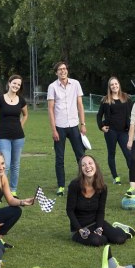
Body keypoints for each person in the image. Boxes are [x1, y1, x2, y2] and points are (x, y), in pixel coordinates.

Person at [66, 155, 135, 247]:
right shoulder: (74, 185)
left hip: (96, 223)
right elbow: (69, 210)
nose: (87, 166)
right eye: (84, 165)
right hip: (80, 228)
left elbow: (100, 211)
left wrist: (99, 227)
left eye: (90, 163)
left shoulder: (102, 187)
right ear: (81, 169)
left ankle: (119, 229)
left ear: (95, 166)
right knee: (97, 241)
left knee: (120, 239)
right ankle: (105, 236)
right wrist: (80, 229)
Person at [48, 61, 87, 196]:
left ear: (67, 71)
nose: (63, 71)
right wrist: (54, 130)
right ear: (56, 72)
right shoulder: (52, 87)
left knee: (81, 156)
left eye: (64, 69)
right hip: (60, 127)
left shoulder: (75, 84)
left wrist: (83, 124)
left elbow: (80, 105)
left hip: (74, 126)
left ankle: (85, 183)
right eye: (60, 69)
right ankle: (61, 186)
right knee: (59, 158)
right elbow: (51, 109)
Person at [0, 74, 28, 197]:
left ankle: (13, 190)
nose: (16, 85)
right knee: (4, 165)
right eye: (14, 83)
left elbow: (25, 115)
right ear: (9, 83)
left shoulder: (21, 100)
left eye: (18, 84)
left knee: (15, 165)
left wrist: (20, 126)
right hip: (3, 137)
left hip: (18, 137)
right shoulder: (0, 99)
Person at [96, 77, 133, 186]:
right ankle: (115, 176)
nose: (114, 86)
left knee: (128, 154)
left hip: (123, 132)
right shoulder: (106, 100)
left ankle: (134, 176)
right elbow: (99, 115)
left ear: (119, 85)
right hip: (111, 131)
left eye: (116, 84)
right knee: (111, 154)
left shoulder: (126, 98)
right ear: (109, 87)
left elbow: (134, 112)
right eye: (112, 85)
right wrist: (101, 126)